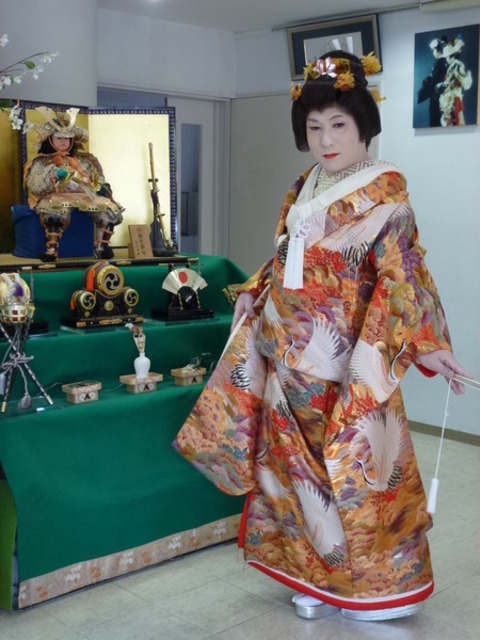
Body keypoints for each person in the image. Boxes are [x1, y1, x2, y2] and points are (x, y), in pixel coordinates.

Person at [174, 50, 471, 622]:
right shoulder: (304, 185)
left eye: (338, 124)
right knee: (293, 479)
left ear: (364, 126)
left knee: (354, 476)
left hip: (343, 364)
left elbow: (404, 276)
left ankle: (377, 591)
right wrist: (255, 290)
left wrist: (430, 345)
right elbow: (288, 258)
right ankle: (310, 576)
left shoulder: (387, 198)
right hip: (285, 359)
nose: (326, 139)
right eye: (314, 127)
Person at [24, 106, 124, 261]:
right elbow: (34, 184)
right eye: (59, 138)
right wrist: (54, 175)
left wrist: (100, 186)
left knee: (111, 211)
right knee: (55, 212)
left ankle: (101, 248)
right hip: (56, 196)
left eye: (67, 138)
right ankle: (52, 250)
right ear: (50, 139)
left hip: (86, 196)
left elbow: (97, 179)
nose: (63, 141)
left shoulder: (85, 161)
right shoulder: (42, 162)